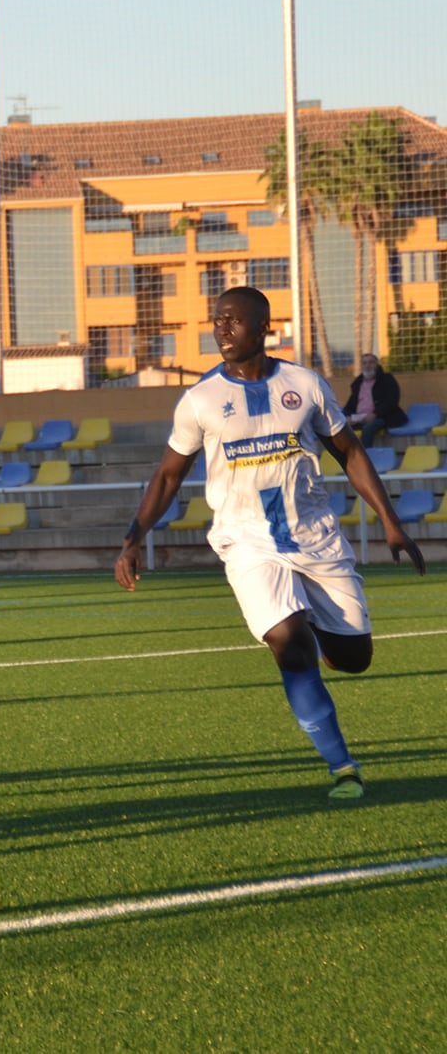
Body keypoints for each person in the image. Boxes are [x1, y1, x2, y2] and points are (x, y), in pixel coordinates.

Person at [115, 287, 424, 799]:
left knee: (353, 659)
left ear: (263, 327)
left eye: (233, 321)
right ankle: (343, 766)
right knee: (288, 643)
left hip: (315, 536)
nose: (222, 329)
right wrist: (132, 539)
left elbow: (348, 451)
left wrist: (390, 521)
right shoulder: (200, 399)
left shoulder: (304, 385)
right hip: (246, 540)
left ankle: (323, 636)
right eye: (217, 321)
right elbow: (168, 477)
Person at [344, 352, 407, 447]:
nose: (367, 366)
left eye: (371, 362)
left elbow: (392, 401)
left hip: (381, 417)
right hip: (359, 418)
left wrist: (375, 414)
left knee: (368, 428)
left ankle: (366, 458)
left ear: (377, 365)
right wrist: (348, 417)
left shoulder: (387, 379)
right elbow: (351, 404)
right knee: (340, 427)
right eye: (364, 363)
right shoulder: (357, 383)